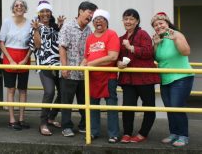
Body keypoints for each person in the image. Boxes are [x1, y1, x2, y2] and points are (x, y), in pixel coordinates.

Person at [117, 9, 160, 143]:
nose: (128, 21)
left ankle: (143, 133)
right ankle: (127, 133)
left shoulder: (143, 34)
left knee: (148, 106)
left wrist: (131, 48)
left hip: (145, 77)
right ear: (123, 21)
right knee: (128, 107)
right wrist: (119, 63)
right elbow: (117, 58)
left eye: (131, 19)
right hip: (128, 79)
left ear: (137, 21)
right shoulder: (121, 38)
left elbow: (149, 52)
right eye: (126, 19)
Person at [151, 12, 194, 147]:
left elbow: (186, 52)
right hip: (166, 79)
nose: (158, 26)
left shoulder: (176, 34)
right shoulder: (160, 39)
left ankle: (183, 135)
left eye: (161, 23)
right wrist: (156, 44)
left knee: (177, 107)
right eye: (155, 25)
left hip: (181, 77)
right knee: (170, 108)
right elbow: (157, 58)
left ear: (167, 23)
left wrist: (175, 39)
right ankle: (174, 133)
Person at [58, 1, 97, 137]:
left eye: (93, 14)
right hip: (69, 71)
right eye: (89, 12)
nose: (91, 16)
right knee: (67, 101)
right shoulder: (68, 26)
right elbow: (62, 47)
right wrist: (64, 67)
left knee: (84, 100)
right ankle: (66, 126)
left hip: (83, 73)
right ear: (80, 11)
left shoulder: (89, 30)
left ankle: (83, 125)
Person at [81, 9, 120, 143]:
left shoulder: (111, 34)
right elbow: (86, 57)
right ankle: (93, 131)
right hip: (92, 77)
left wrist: (91, 63)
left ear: (106, 22)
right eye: (96, 20)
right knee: (92, 106)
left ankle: (113, 134)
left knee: (111, 105)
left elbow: (113, 57)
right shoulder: (90, 38)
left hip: (108, 77)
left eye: (101, 19)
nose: (98, 22)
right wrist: (82, 66)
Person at [29, 0, 65, 136]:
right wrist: (36, 29)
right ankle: (43, 123)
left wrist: (61, 27)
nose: (45, 14)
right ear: (39, 13)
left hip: (58, 65)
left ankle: (51, 117)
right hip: (44, 65)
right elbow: (37, 46)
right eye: (42, 11)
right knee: (49, 92)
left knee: (63, 93)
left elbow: (61, 43)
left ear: (51, 13)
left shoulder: (55, 27)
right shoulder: (35, 26)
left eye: (47, 11)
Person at [0, 0, 32, 130]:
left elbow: (32, 44)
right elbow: (1, 42)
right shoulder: (7, 21)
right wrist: (10, 60)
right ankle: (12, 119)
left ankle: (22, 118)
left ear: (25, 9)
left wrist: (26, 59)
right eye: (16, 5)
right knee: (11, 89)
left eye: (22, 5)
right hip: (9, 57)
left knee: (23, 89)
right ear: (13, 8)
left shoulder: (30, 23)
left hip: (24, 57)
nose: (19, 7)